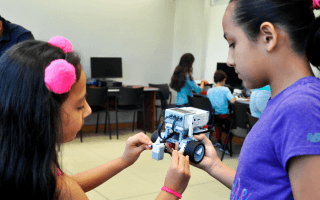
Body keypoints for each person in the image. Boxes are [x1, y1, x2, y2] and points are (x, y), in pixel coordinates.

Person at [0, 36, 190, 199]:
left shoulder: (23, 168)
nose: (89, 110)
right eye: (80, 105)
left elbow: (65, 182)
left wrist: (123, 160)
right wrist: (171, 191)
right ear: (43, 114)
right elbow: (66, 188)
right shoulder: (63, 191)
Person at [167, 0, 320, 199]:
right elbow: (260, 187)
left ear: (268, 36)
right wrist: (213, 164)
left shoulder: (302, 106)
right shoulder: (285, 101)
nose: (230, 60)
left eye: (233, 44)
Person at [206, 70, 236, 154]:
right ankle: (225, 145)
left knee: (218, 123)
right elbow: (233, 101)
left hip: (213, 117)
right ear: (223, 80)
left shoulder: (209, 90)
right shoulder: (226, 89)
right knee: (234, 125)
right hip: (224, 116)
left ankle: (218, 140)